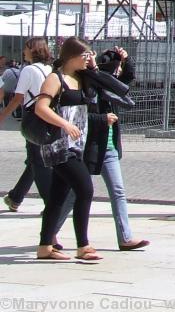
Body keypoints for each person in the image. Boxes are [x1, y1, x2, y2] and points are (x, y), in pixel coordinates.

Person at [33, 37, 100, 261]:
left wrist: (94, 67)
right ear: (71, 56)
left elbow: (105, 87)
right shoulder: (55, 78)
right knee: (85, 190)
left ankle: (44, 247)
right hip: (59, 146)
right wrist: (65, 124)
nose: (88, 59)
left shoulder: (81, 77)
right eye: (85, 55)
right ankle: (84, 245)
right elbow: (40, 108)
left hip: (76, 145)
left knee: (57, 197)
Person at [83, 47, 149, 251]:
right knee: (74, 193)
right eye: (117, 67)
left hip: (109, 147)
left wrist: (127, 59)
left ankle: (125, 237)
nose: (120, 71)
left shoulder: (111, 86)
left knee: (118, 191)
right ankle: (49, 237)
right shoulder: (93, 85)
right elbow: (81, 116)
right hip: (91, 146)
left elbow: (127, 79)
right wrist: (103, 119)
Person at [1, 38, 54, 213]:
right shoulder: (50, 69)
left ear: (33, 50)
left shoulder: (29, 70)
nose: (24, 51)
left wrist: (2, 117)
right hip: (49, 116)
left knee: (37, 161)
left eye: (26, 48)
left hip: (33, 117)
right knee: (35, 159)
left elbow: (18, 98)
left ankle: (51, 204)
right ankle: (15, 197)